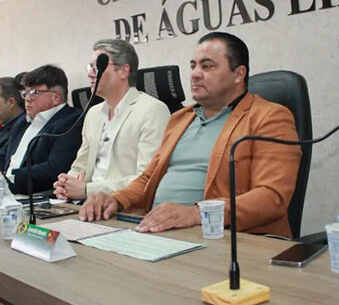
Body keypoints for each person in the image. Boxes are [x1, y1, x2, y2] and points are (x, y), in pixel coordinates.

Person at [79, 32, 301, 237]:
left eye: (207, 66)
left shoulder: (270, 117)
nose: (195, 74)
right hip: (160, 231)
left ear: (238, 74)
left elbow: (272, 197)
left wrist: (197, 214)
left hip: (223, 238)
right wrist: (115, 200)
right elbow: (148, 178)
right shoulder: (180, 119)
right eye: (193, 66)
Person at [53, 39, 169, 200]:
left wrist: (88, 190)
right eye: (89, 67)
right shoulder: (93, 113)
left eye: (97, 67)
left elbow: (148, 178)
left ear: (123, 71)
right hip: (85, 205)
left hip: (125, 207)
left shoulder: (152, 110)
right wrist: (66, 183)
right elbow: (80, 165)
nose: (90, 73)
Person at [0, 65, 83, 194]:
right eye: (25, 93)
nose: (27, 99)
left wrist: (7, 178)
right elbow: (0, 157)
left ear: (56, 97)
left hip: (33, 196)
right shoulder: (22, 122)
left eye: (34, 93)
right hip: (4, 193)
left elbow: (55, 168)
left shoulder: (72, 121)